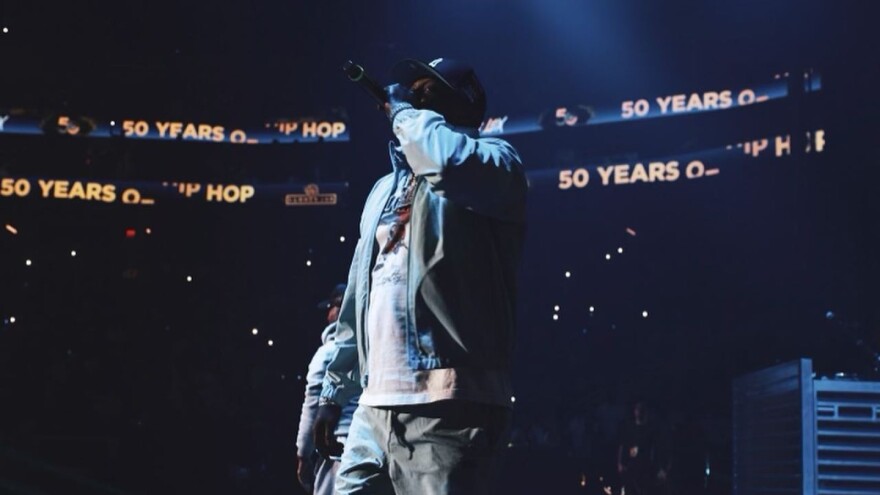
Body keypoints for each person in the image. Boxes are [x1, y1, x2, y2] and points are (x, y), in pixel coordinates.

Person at [313, 57, 527, 494]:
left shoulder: (497, 163)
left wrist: (407, 115)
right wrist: (334, 394)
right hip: (374, 407)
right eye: (410, 90)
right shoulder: (382, 191)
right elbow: (360, 297)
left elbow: (446, 163)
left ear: (459, 104)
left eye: (426, 90)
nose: (411, 96)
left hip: (449, 405)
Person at [295, 284, 360, 495]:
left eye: (331, 308)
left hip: (337, 452)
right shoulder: (370, 350)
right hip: (372, 448)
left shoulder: (327, 352)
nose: (327, 315)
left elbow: (313, 402)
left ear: (340, 308)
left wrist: (303, 454)